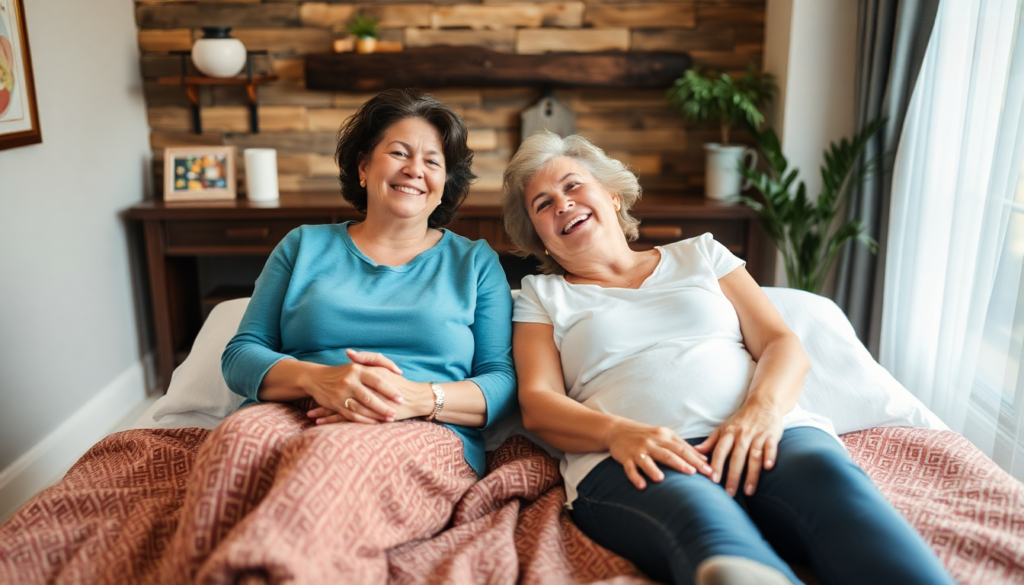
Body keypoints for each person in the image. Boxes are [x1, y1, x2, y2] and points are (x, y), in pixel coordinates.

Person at [502, 131, 955, 585]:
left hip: (770, 433)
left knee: (839, 494)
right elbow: (539, 402)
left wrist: (762, 411)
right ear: (538, 234)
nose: (561, 203)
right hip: (637, 457)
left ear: (613, 196)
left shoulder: (701, 253)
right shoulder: (541, 297)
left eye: (573, 185)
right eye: (542, 204)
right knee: (706, 529)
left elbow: (781, 343)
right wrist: (618, 433)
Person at [206, 88, 516, 581]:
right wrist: (318, 380)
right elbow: (241, 355)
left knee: (333, 455)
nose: (416, 168)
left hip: (421, 429)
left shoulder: (475, 262)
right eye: (399, 152)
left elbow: (501, 381)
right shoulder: (303, 245)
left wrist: (415, 398)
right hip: (295, 410)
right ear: (363, 167)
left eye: (432, 161)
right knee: (238, 440)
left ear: (444, 185)